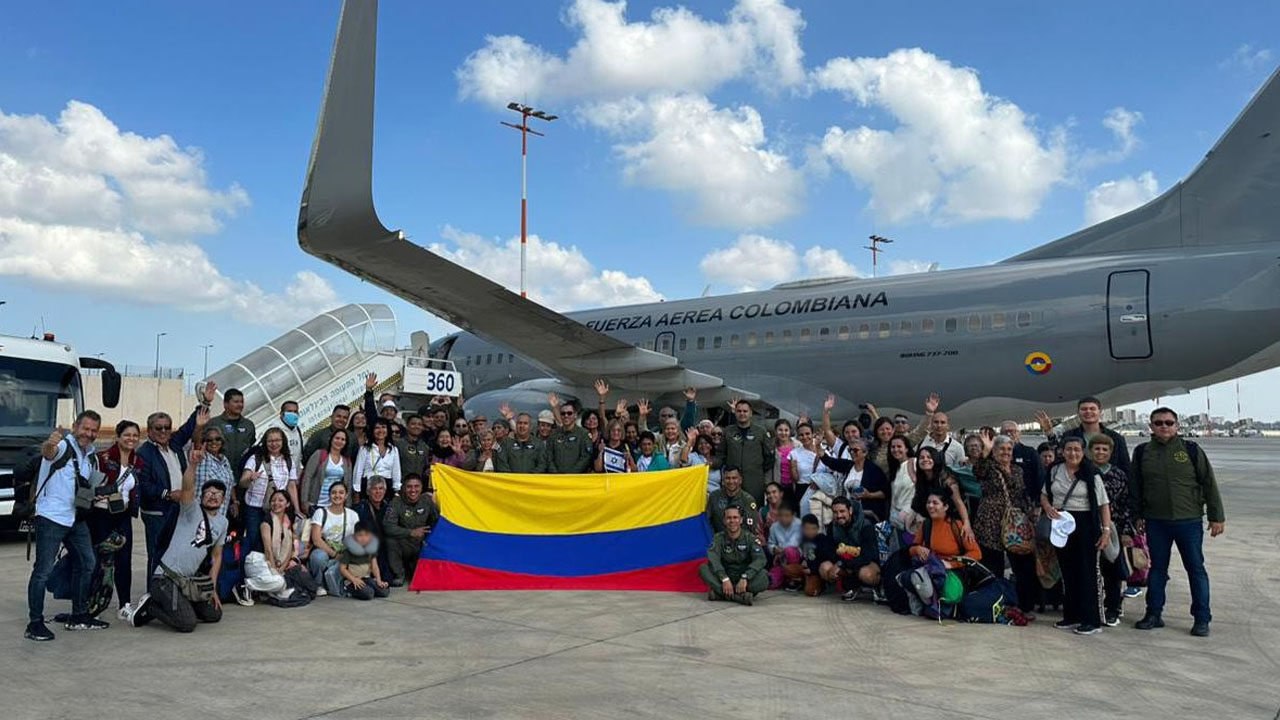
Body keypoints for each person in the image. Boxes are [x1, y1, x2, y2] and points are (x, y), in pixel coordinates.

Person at [1131, 408, 1224, 637]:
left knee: (1195, 569)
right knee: (1157, 571)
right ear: (1151, 427)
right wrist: (1137, 516)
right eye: (1159, 423)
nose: (1164, 426)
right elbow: (1136, 487)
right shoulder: (1143, 452)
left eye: (1169, 422)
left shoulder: (1191, 450)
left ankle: (1202, 618)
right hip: (1156, 521)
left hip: (1189, 521)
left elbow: (1208, 482)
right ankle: (1153, 613)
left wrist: (1216, 516)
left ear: (1177, 426)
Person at [122, 446, 226, 633]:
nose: (213, 495)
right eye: (209, 492)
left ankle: (179, 604)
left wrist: (213, 589)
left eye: (218, 493)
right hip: (166, 578)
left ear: (223, 499)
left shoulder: (223, 522)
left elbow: (217, 557)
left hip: (188, 581)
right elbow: (187, 487)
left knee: (214, 614)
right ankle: (152, 606)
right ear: (201, 497)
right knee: (187, 624)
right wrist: (193, 465)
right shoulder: (191, 510)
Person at [25, 411, 106, 641]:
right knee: (43, 571)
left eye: (93, 431)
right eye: (85, 428)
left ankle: (79, 615)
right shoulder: (63, 446)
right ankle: (35, 623)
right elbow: (48, 453)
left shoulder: (89, 455)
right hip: (51, 517)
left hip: (74, 519)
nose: (88, 434)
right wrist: (50, 444)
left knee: (87, 563)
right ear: (75, 426)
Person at [1042, 436, 1113, 635]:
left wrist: (1106, 531)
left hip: (1085, 524)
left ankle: (1092, 620)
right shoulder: (1055, 470)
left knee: (1087, 572)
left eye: (1077, 450)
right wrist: (1047, 507)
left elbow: (1103, 504)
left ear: (1083, 453)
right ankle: (1071, 615)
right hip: (1062, 524)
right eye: (1069, 449)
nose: (1073, 453)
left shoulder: (1092, 474)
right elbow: (1044, 493)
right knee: (1067, 571)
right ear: (1062, 452)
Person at [137, 402, 208, 578]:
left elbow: (189, 427)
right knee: (158, 554)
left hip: (179, 509)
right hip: (157, 513)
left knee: (176, 552)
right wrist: (168, 494)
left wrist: (204, 403)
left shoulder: (174, 444)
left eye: (167, 428)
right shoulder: (144, 453)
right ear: (149, 430)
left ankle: (169, 593)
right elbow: (144, 485)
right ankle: (153, 595)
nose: (163, 432)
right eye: (158, 428)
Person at [91, 420, 145, 620]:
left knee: (124, 561)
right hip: (101, 515)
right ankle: (93, 605)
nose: (131, 439)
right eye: (127, 435)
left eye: (134, 435)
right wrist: (98, 494)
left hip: (122, 515)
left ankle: (124, 605)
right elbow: (90, 485)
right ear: (117, 437)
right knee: (100, 561)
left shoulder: (137, 462)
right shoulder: (102, 458)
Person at [971, 433, 1034, 583]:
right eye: (1001, 449)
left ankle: (1023, 603)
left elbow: (1021, 492)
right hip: (991, 522)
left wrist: (1030, 512)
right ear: (994, 451)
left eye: (1009, 449)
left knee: (1022, 564)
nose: (1006, 452)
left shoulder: (1017, 469)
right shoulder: (988, 467)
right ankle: (996, 600)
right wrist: (985, 454)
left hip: (1015, 522)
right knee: (994, 565)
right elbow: (978, 471)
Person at [1089, 434, 1134, 627]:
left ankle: (1113, 607)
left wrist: (1126, 531)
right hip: (1089, 527)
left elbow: (1125, 504)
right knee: (1091, 569)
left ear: (1110, 452)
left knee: (1112, 570)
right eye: (1097, 449)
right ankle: (1094, 605)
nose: (1100, 453)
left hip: (1112, 528)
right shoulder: (1084, 471)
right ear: (1090, 451)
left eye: (1104, 450)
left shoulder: (1118, 474)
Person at [240, 427, 300, 557]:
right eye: (270, 441)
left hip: (277, 509)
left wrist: (296, 508)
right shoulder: (255, 459)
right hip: (254, 508)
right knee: (254, 541)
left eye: (277, 440)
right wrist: (250, 478)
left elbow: (291, 485)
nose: (274, 444)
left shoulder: (288, 461)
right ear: (265, 443)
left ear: (283, 441)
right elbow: (242, 482)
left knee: (275, 542)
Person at [1039, 397, 1132, 478]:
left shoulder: (1116, 438)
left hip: (1109, 488)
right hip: (1079, 487)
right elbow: (1060, 457)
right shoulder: (1069, 435)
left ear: (1100, 412)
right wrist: (1050, 433)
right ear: (1078, 413)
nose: (1088, 411)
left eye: (1092, 409)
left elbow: (1125, 467)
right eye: (1084, 409)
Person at [699, 506, 767, 605]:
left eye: (735, 517)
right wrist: (724, 578)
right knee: (703, 569)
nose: (732, 521)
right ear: (724, 521)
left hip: (744, 578)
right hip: (725, 577)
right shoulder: (718, 538)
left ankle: (721, 594)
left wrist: (745, 577)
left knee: (764, 577)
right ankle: (739, 597)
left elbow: (760, 559)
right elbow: (713, 559)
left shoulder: (750, 538)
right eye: (729, 518)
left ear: (741, 520)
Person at [713, 399, 775, 505]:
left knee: (754, 508)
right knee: (733, 511)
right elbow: (721, 455)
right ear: (735, 413)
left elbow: (769, 456)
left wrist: (757, 469)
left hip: (754, 480)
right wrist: (712, 464)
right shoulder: (728, 431)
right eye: (739, 411)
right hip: (732, 481)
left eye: (745, 411)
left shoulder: (760, 431)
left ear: (751, 413)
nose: (742, 414)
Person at [820, 497, 881, 600]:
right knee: (824, 568)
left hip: (863, 563)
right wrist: (839, 564)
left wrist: (845, 565)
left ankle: (876, 588)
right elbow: (829, 550)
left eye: (842, 511)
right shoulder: (832, 527)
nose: (839, 516)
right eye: (835, 512)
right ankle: (852, 587)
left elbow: (869, 555)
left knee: (868, 574)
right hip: (844, 562)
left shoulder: (865, 526)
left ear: (850, 511)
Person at [383, 474, 438, 587]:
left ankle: (417, 571)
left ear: (422, 487)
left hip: (421, 544)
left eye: (416, 486)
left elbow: (436, 521)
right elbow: (388, 527)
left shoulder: (427, 501)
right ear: (403, 488)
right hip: (404, 544)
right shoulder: (396, 502)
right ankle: (399, 574)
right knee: (390, 540)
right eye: (409, 487)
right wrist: (410, 532)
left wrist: (429, 538)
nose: (413, 490)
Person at [818, 437, 890, 522]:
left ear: (865, 452)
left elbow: (886, 493)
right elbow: (830, 461)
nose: (852, 453)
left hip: (866, 516)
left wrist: (869, 495)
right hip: (848, 517)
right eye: (850, 450)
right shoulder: (848, 465)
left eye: (855, 450)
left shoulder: (874, 471)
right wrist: (818, 447)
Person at [910, 445, 973, 540]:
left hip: (951, 518)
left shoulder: (946, 477)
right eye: (921, 458)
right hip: (932, 517)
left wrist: (966, 524)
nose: (925, 460)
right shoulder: (921, 478)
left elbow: (959, 502)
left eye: (929, 457)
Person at [863, 394, 938, 474]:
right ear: (876, 432)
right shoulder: (872, 447)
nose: (885, 432)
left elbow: (919, 432)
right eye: (881, 430)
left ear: (893, 430)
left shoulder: (900, 444)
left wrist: (929, 413)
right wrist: (873, 412)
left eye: (888, 429)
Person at [308, 482, 359, 595]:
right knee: (318, 557)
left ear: (346, 496)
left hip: (345, 551)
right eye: (334, 493)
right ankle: (318, 584)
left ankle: (340, 584)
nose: (337, 496)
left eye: (341, 493)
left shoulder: (353, 515)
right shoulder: (320, 513)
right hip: (326, 550)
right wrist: (335, 555)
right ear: (329, 495)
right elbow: (316, 539)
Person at [911, 489, 982, 569]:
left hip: (953, 571)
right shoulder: (926, 524)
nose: (930, 506)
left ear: (945, 507)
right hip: (931, 568)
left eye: (935, 503)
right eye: (928, 502)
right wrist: (917, 549)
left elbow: (976, 553)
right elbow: (912, 549)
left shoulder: (957, 526)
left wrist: (951, 564)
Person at [301, 428, 353, 517]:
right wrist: (304, 501)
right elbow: (307, 477)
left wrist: (348, 506)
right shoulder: (320, 454)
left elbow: (348, 484)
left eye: (343, 439)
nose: (339, 441)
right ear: (331, 439)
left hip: (336, 505)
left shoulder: (346, 461)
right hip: (316, 503)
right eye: (337, 438)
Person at [705, 466, 764, 543]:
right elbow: (707, 521)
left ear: (740, 480)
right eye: (728, 478)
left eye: (734, 478)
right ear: (722, 481)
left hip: (741, 544)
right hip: (718, 542)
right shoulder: (714, 497)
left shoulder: (748, 500)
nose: (731, 481)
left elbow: (751, 528)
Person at [208, 383, 256, 473]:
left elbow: (251, 447)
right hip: (219, 473)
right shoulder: (214, 423)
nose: (240, 405)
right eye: (236, 402)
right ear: (225, 404)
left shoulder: (249, 425)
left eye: (241, 402)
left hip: (242, 474)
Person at [354, 476, 394, 580]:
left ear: (385, 491)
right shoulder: (361, 508)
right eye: (374, 489)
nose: (378, 492)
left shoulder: (388, 506)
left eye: (381, 489)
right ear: (368, 492)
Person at [338, 521, 390, 600]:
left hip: (366, 578)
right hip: (352, 580)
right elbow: (342, 568)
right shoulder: (349, 550)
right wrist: (353, 579)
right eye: (360, 535)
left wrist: (379, 581)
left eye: (366, 535)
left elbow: (375, 567)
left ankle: (370, 588)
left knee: (385, 591)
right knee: (368, 594)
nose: (363, 538)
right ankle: (349, 590)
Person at [194, 425, 236, 518]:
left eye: (217, 439)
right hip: (199, 514)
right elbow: (196, 444)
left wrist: (234, 501)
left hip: (220, 514)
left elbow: (231, 483)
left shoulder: (225, 460)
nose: (214, 442)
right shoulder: (202, 457)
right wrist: (199, 425)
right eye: (209, 440)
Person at [355, 418, 402, 494]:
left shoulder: (393, 449)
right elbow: (358, 471)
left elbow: (396, 471)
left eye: (383, 427)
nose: (380, 430)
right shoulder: (365, 449)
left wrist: (396, 489)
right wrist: (357, 490)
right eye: (377, 428)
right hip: (369, 485)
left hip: (387, 487)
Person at [1000, 420, 1045, 500]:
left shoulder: (1030, 452)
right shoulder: (995, 455)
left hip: (1026, 502)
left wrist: (1038, 503)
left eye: (1012, 431)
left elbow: (1040, 478)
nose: (1008, 434)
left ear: (1019, 433)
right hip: (1002, 502)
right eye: (1005, 432)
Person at [547, 400, 593, 473]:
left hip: (576, 479)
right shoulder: (553, 435)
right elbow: (549, 457)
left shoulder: (583, 434)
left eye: (569, 413)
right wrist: (555, 473)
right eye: (563, 413)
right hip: (556, 478)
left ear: (575, 415)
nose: (566, 416)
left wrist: (571, 474)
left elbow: (585, 457)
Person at [766, 503, 803, 591]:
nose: (783, 518)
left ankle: (794, 579)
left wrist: (784, 551)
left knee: (790, 551)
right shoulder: (774, 527)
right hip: (781, 561)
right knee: (770, 583)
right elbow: (770, 544)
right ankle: (785, 578)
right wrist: (774, 549)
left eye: (787, 515)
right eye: (781, 515)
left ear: (793, 515)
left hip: (797, 560)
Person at [799, 513, 836, 596]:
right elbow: (803, 555)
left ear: (818, 528)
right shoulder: (803, 541)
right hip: (806, 568)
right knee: (789, 569)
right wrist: (802, 561)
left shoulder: (822, 540)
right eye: (807, 528)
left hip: (816, 571)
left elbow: (824, 559)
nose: (810, 531)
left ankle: (821, 585)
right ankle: (799, 582)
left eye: (813, 528)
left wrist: (812, 570)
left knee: (810, 591)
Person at [397, 414, 432, 479]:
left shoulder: (425, 447)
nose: (416, 426)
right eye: (413, 424)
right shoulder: (398, 445)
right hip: (401, 484)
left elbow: (425, 468)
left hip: (417, 486)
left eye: (419, 424)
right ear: (407, 426)